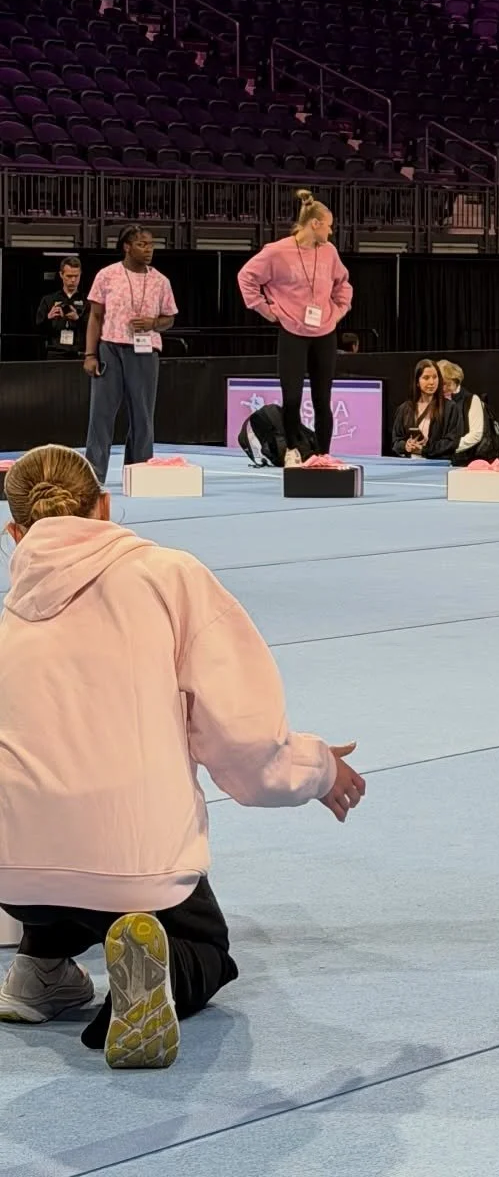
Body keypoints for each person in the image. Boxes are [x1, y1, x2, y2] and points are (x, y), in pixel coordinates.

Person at [0, 445, 365, 1069]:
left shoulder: (8, 618)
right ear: (106, 506)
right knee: (207, 949)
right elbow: (245, 742)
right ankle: (154, 983)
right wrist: (319, 769)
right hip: (135, 869)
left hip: (13, 881)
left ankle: (41, 968)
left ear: (14, 533)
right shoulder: (167, 575)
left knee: (50, 811)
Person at [238, 190, 353, 468]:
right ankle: (291, 448)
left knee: (322, 397)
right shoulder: (277, 251)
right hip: (292, 332)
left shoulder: (329, 251)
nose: (331, 230)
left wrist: (338, 312)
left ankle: (324, 454)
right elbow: (246, 278)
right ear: (314, 223)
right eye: (329, 225)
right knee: (292, 396)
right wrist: (267, 311)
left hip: (324, 333)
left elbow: (343, 284)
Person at [82, 226, 178, 484]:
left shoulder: (161, 280)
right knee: (101, 413)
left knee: (142, 415)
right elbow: (95, 316)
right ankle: (94, 474)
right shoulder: (107, 275)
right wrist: (90, 354)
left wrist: (153, 323)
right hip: (110, 348)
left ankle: (140, 472)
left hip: (145, 352)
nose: (149, 250)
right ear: (127, 246)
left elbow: (169, 318)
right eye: (142, 244)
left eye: (151, 244)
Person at [391, 359, 461, 460]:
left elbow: (452, 442)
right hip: (409, 464)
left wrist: (425, 450)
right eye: (426, 378)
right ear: (417, 382)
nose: (432, 382)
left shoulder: (450, 408)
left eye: (435, 377)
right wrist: (406, 445)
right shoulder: (405, 409)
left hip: (437, 465)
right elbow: (396, 441)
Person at [436, 360, 499, 465]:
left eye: (447, 384)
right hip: (442, 460)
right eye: (440, 384)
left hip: (468, 461)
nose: (443, 388)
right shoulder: (436, 401)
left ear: (456, 381)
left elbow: (475, 435)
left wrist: (450, 447)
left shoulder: (471, 400)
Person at [36, 256, 85, 360]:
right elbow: (38, 330)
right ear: (61, 275)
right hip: (55, 353)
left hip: (79, 354)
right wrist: (48, 318)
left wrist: (77, 319)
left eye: (76, 276)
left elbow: (95, 328)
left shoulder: (88, 301)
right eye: (69, 276)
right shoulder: (48, 300)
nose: (73, 280)